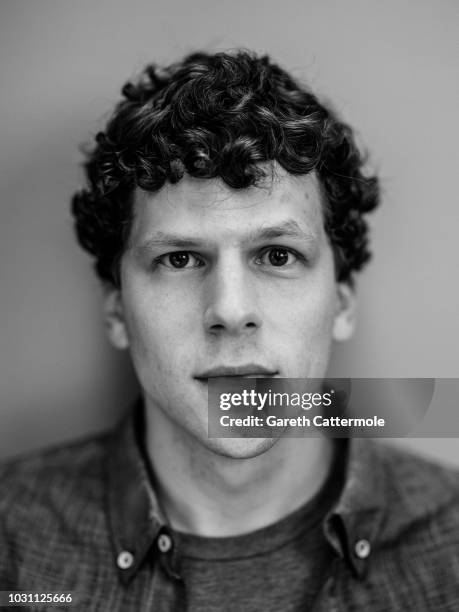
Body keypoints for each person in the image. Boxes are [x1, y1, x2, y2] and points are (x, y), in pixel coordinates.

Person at [1, 50, 458, 611]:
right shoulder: (11, 547)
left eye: (278, 255)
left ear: (342, 301)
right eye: (179, 260)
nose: (232, 309)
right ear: (117, 311)